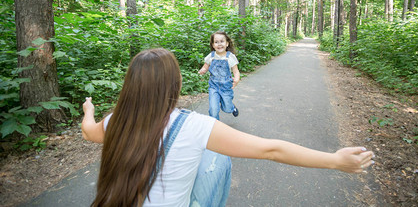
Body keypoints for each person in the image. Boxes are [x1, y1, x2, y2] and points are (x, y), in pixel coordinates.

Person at [82, 48, 375, 207]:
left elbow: (88, 131)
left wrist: (89, 110)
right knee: (217, 156)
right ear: (174, 84)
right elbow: (271, 149)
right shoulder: (193, 125)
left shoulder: (114, 122)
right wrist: (336, 161)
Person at [198, 31, 240, 120]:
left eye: (222, 41)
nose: (219, 44)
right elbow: (206, 66)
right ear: (213, 45)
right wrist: (203, 70)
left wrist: (236, 79)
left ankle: (231, 107)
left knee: (227, 108)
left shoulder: (230, 57)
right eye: (216, 42)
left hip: (226, 87)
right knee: (213, 109)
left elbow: (236, 71)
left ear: (227, 43)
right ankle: (215, 125)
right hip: (213, 86)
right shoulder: (211, 56)